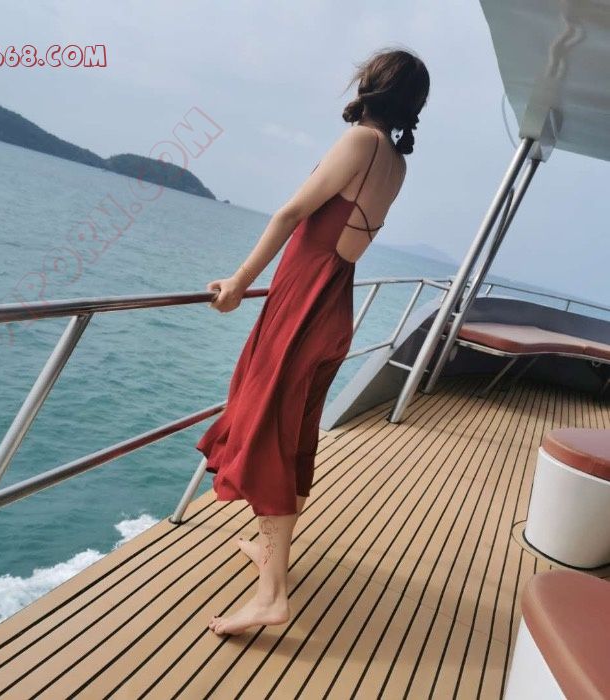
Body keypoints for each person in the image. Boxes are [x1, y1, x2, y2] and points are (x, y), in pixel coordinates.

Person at [199, 47, 430, 636]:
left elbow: (289, 214)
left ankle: (272, 596)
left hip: (302, 305)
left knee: (268, 434)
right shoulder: (396, 164)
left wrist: (238, 282)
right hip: (334, 305)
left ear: (371, 84)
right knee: (293, 434)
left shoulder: (360, 142)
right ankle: (269, 551)